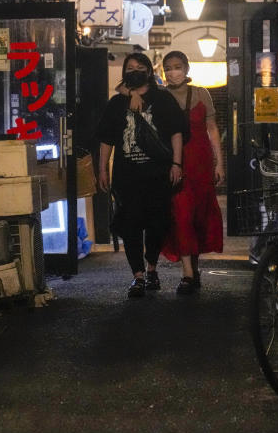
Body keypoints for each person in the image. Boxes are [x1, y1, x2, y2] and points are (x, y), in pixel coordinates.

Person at [96, 52, 186, 298]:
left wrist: (177, 163)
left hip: (158, 174)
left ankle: (152, 268)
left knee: (157, 223)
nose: (134, 70)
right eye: (129, 67)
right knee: (131, 225)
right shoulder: (116, 103)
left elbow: (176, 132)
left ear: (148, 70)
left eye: (139, 67)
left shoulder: (162, 99)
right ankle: (137, 276)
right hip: (128, 177)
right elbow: (106, 138)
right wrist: (102, 168)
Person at [159, 50, 226, 295]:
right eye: (168, 67)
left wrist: (219, 163)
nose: (173, 71)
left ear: (187, 69)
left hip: (201, 161)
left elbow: (212, 129)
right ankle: (187, 272)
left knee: (198, 214)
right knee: (181, 213)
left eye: (177, 66)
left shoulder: (201, 93)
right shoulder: (160, 96)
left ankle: (193, 267)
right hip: (173, 163)